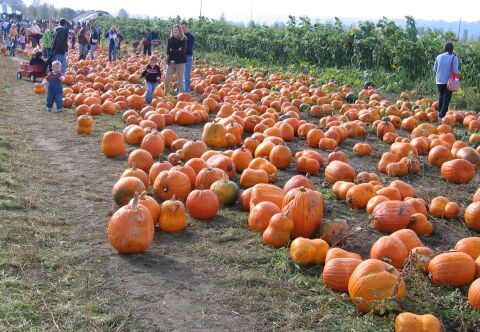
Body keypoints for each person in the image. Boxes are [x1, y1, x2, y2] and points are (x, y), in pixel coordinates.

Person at [433, 42, 460, 119]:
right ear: (452, 49)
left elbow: (434, 69)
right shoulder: (454, 57)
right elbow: (455, 71)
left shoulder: (438, 56)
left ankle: (440, 113)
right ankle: (441, 116)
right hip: (449, 81)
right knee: (446, 99)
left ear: (444, 48)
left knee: (441, 96)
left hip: (438, 81)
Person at [164, 25, 187, 96]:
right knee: (167, 80)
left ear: (180, 31)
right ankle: (167, 95)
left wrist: (173, 51)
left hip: (180, 62)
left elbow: (183, 51)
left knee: (180, 81)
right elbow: (168, 51)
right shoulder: (170, 39)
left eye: (176, 30)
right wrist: (177, 50)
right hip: (171, 62)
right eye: (173, 30)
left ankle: (181, 96)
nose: (174, 31)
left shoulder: (183, 39)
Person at [181, 21, 195, 93]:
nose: (182, 29)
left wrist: (180, 48)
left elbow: (189, 48)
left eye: (184, 27)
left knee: (186, 74)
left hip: (188, 57)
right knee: (180, 75)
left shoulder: (191, 37)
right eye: (181, 28)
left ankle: (186, 91)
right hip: (180, 57)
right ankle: (180, 91)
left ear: (187, 28)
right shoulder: (179, 36)